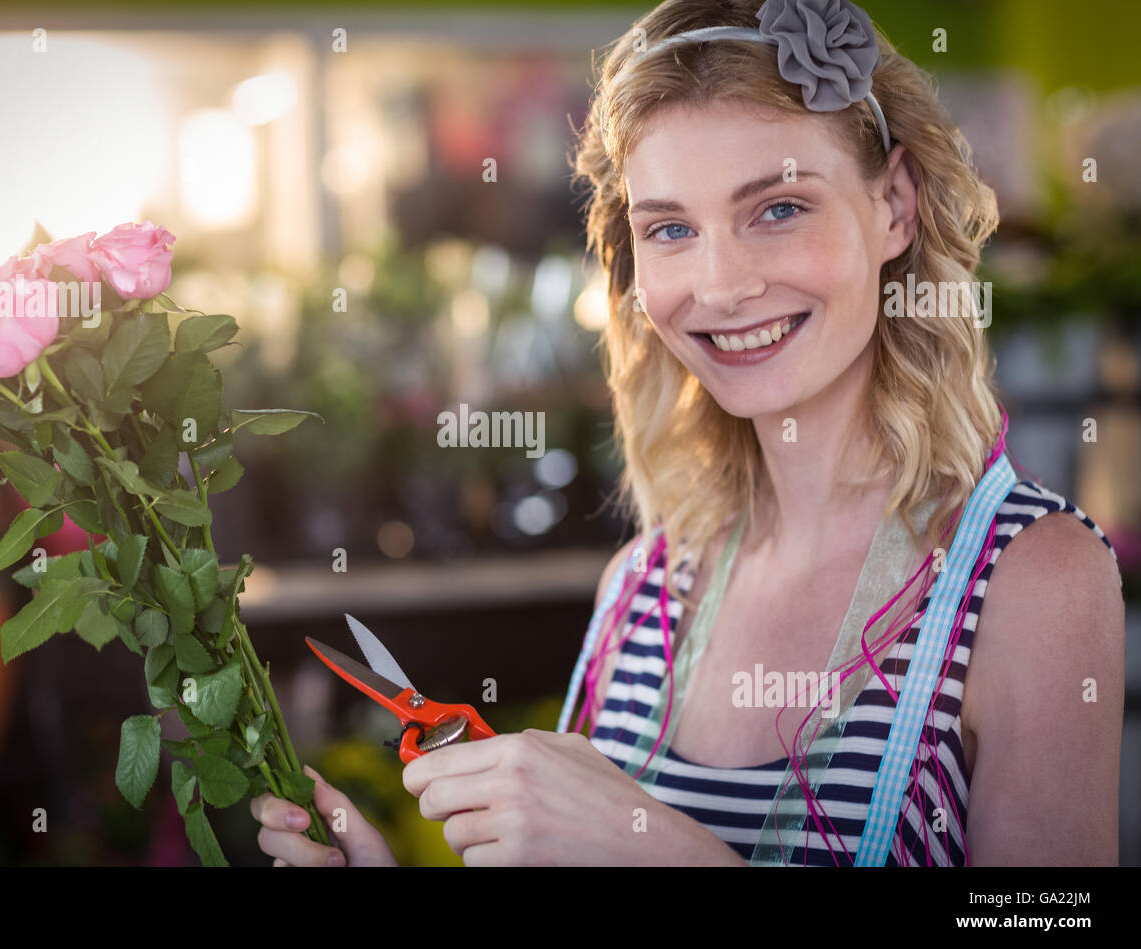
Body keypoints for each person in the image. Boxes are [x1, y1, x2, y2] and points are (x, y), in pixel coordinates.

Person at [251, 0, 1124, 866]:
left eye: (778, 208)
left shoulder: (1033, 579)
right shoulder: (641, 592)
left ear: (894, 203)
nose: (720, 285)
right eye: (670, 229)